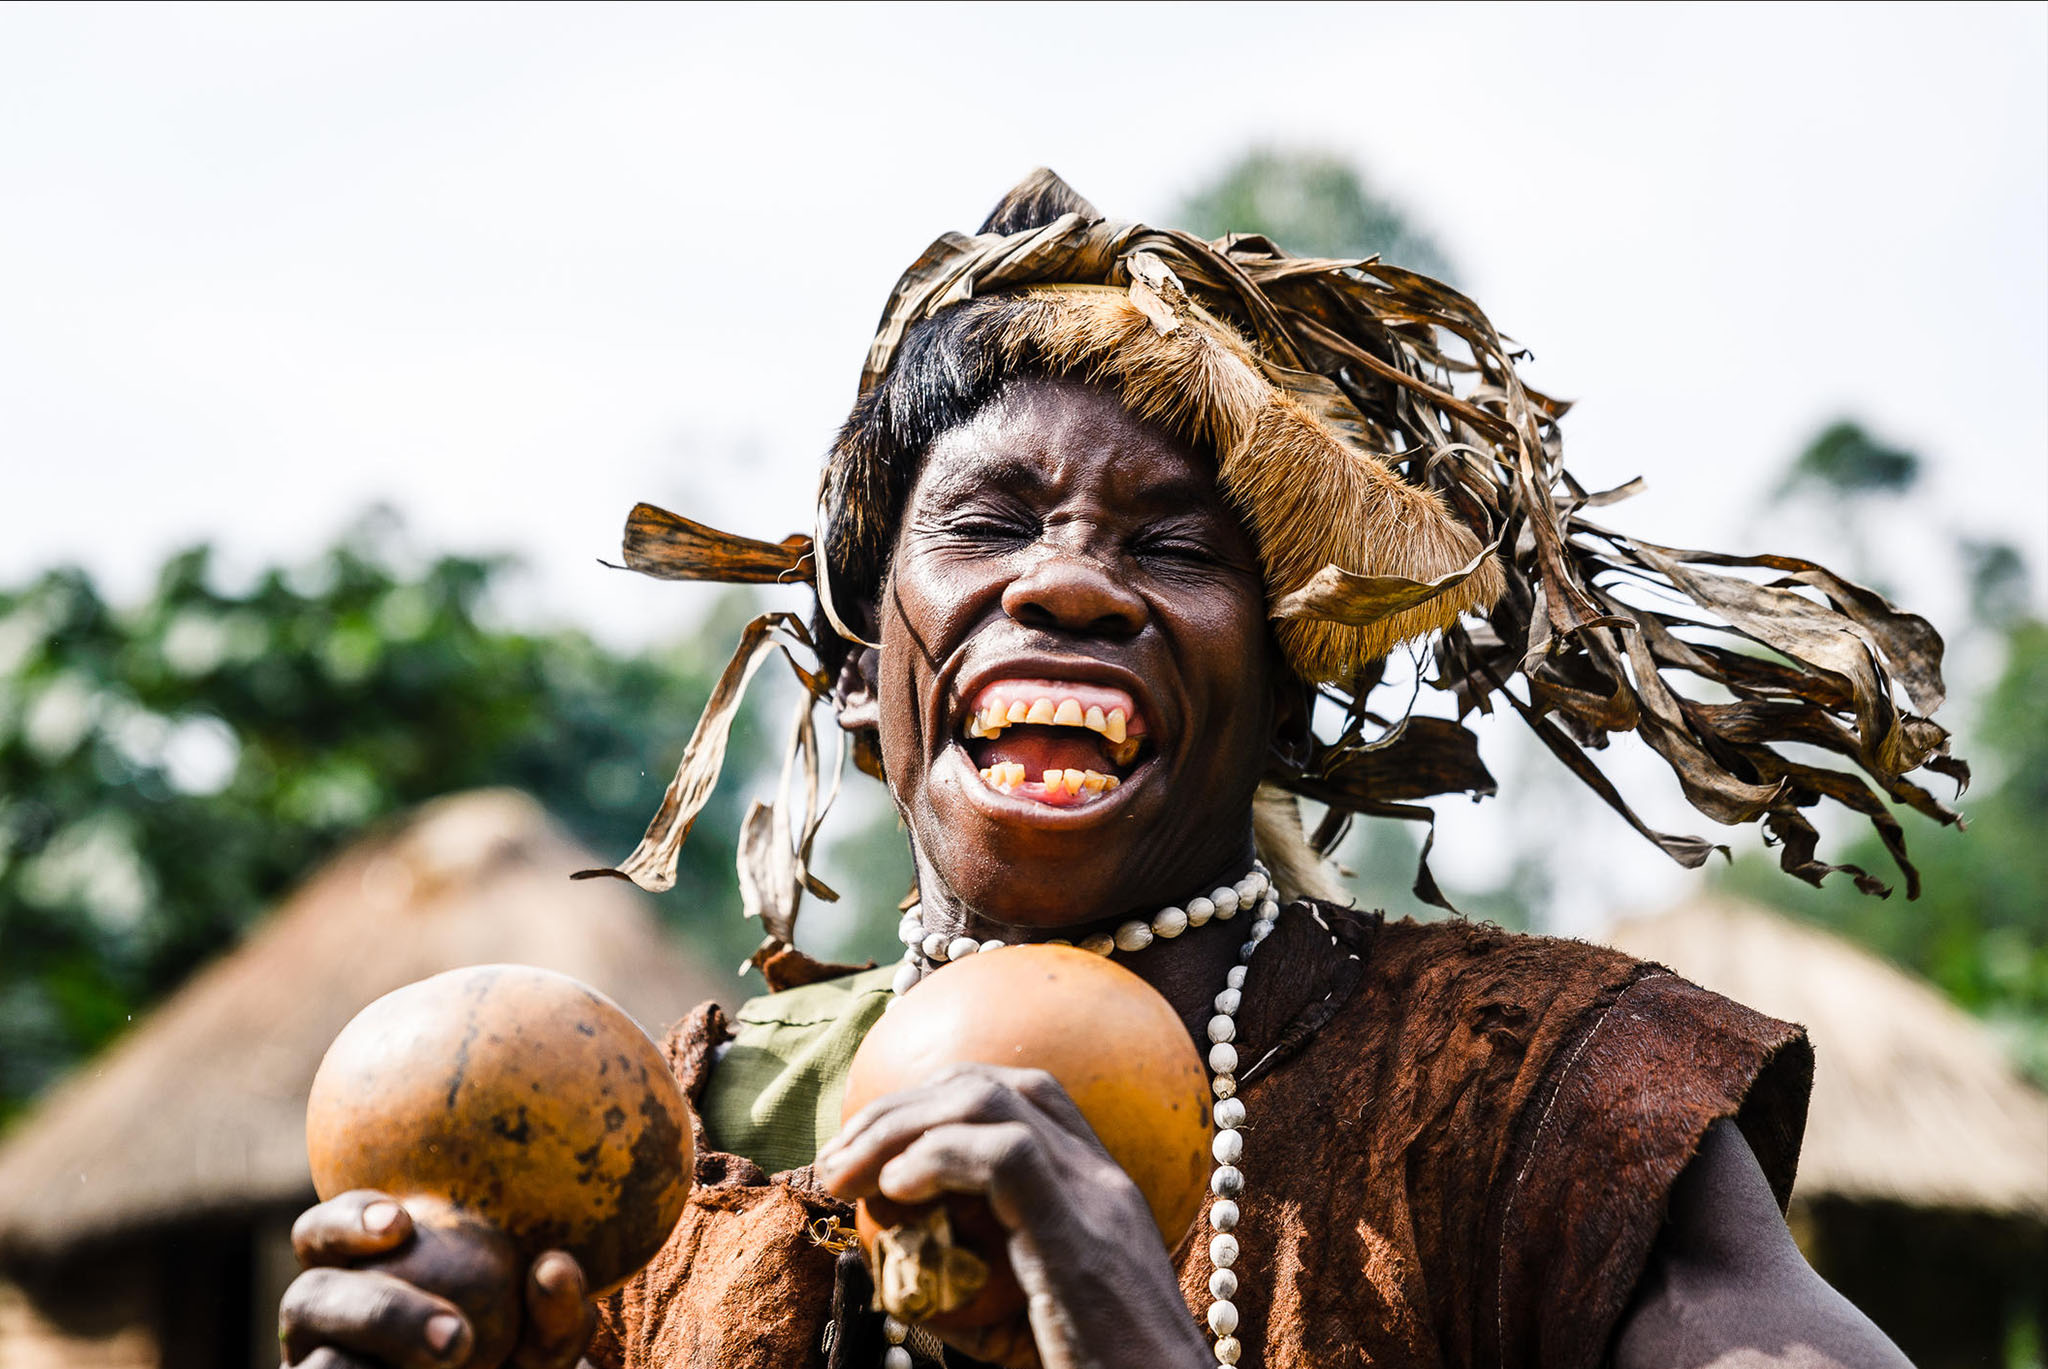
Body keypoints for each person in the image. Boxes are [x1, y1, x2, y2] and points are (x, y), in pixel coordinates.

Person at [280, 172, 1956, 1368]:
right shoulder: (661, 1142)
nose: (1071, 583)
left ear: (1281, 692)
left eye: (1172, 545)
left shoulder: (1536, 1097)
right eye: (990, 522)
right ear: (861, 664)